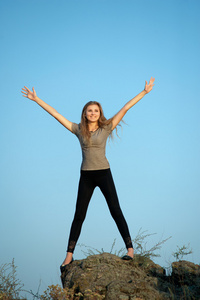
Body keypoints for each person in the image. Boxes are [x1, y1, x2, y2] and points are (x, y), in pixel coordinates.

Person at [21, 77, 155, 272]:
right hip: (86, 175)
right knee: (79, 215)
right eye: (90, 110)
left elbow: (126, 107)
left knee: (115, 210)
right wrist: (36, 99)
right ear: (85, 113)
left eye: (96, 110)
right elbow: (56, 114)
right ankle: (69, 255)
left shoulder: (106, 127)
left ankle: (130, 250)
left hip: (104, 173)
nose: (93, 113)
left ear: (100, 113)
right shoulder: (78, 129)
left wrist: (144, 92)